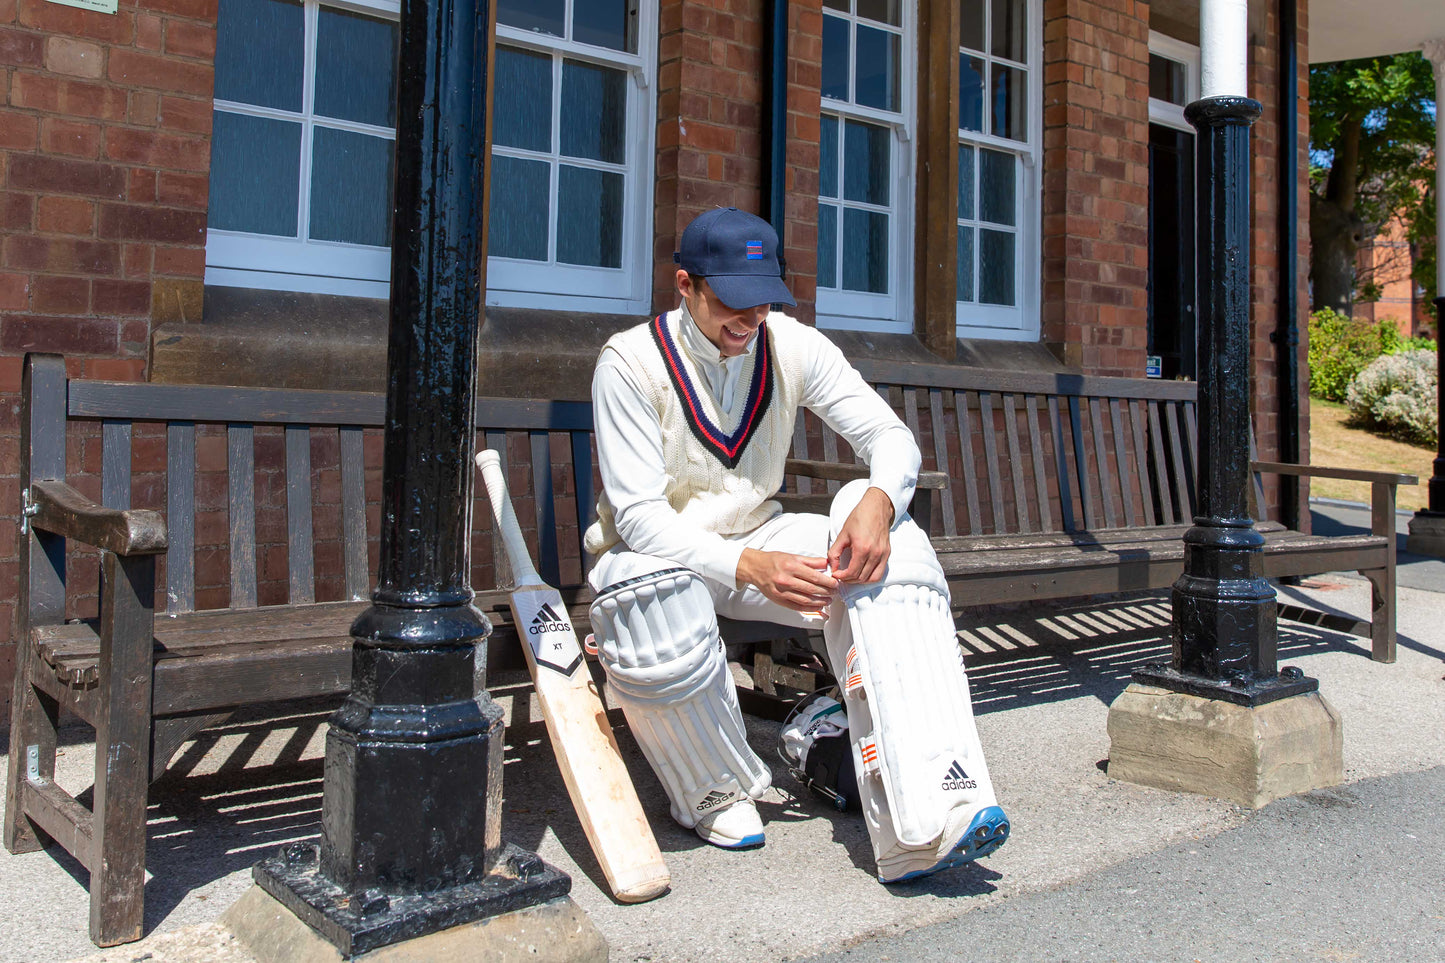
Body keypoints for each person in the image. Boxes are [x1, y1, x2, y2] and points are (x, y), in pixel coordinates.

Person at [583, 207, 1009, 882]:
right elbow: (638, 518)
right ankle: (712, 786)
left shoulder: (792, 345)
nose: (750, 320)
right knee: (656, 589)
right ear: (684, 285)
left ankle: (927, 799)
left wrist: (875, 502)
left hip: (757, 535)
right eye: (732, 302)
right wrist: (748, 565)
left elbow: (890, 438)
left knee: (894, 554)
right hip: (653, 557)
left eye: (763, 302)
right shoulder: (629, 362)